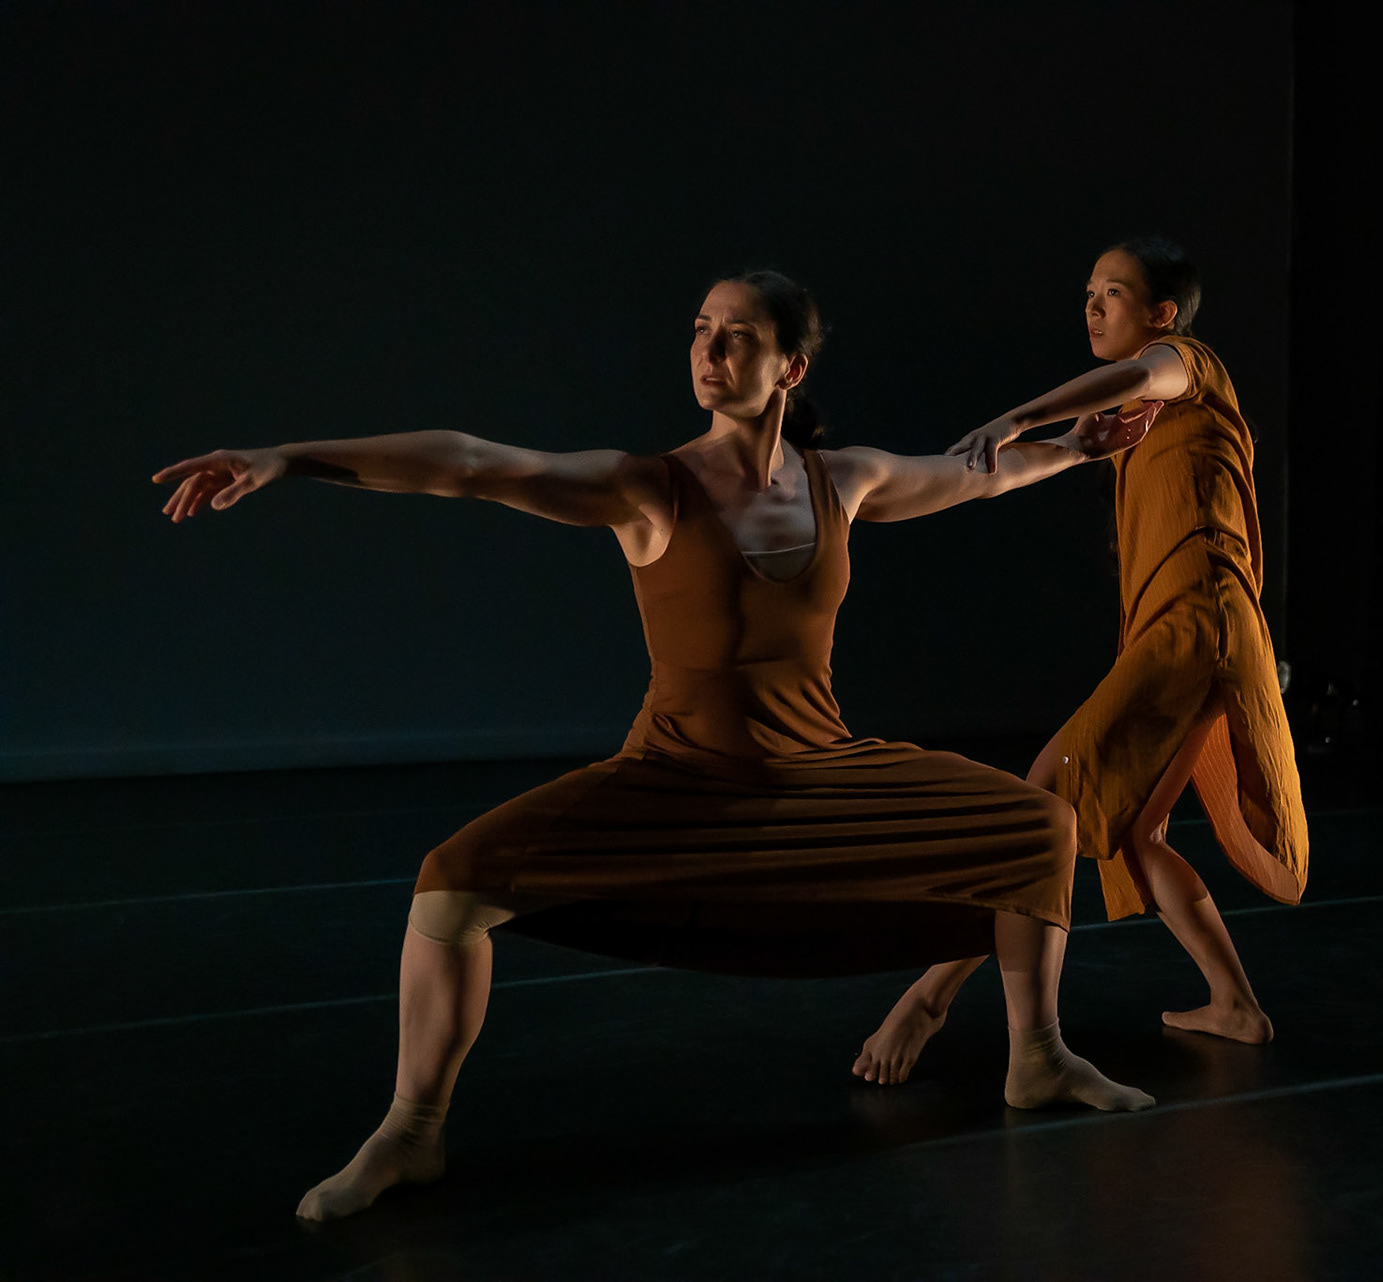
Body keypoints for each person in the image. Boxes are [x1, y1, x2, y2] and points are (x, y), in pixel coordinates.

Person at [151, 271, 1161, 1222]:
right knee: (452, 885)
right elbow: (468, 463)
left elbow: (971, 477)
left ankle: (1037, 1056)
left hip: (817, 767)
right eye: (699, 332)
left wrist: (1082, 445)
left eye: (738, 336)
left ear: (790, 369)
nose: (709, 350)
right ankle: (411, 1129)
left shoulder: (842, 481)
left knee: (1036, 825)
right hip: (675, 774)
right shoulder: (649, 490)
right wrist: (290, 459)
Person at [854, 239, 1307, 1087]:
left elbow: (1141, 377)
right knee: (1135, 833)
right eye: (1089, 292)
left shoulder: (1184, 364)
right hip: (1197, 630)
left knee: (1042, 802)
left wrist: (1018, 417)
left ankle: (930, 998)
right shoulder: (1150, 422)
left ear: (1161, 315)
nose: (1092, 306)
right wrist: (1073, 444)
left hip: (1197, 623)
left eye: (1113, 293)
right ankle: (1235, 1005)